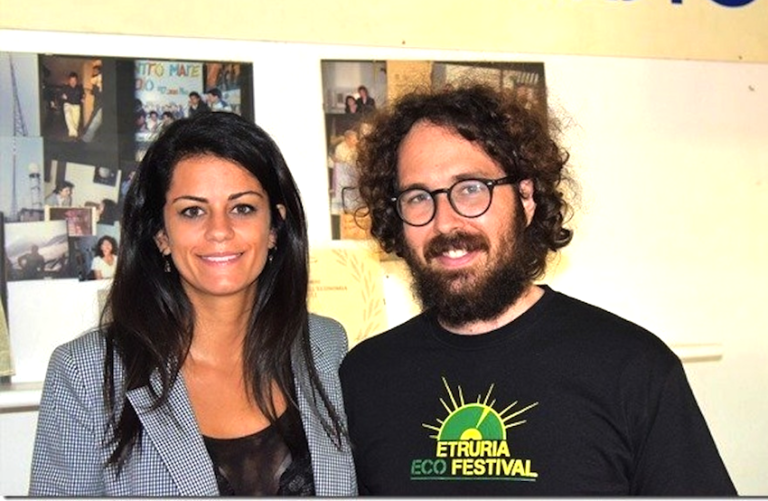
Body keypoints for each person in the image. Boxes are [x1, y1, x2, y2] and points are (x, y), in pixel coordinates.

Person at [339, 83, 736, 496]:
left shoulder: (633, 369)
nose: (444, 222)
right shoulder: (363, 378)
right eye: (418, 197)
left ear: (525, 199)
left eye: (471, 189)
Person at [30, 112, 357, 496]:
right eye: (192, 211)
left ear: (275, 227)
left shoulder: (326, 346)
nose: (219, 230)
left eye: (243, 208)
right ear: (161, 235)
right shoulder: (86, 374)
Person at [60, 71, 84, 140]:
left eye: (74, 80)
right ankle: (73, 134)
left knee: (75, 122)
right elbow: (60, 95)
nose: (73, 82)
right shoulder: (65, 87)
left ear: (76, 81)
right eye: (71, 80)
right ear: (69, 80)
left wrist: (83, 98)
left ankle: (73, 136)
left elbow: (83, 95)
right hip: (68, 104)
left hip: (76, 105)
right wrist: (62, 96)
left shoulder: (80, 88)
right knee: (68, 114)